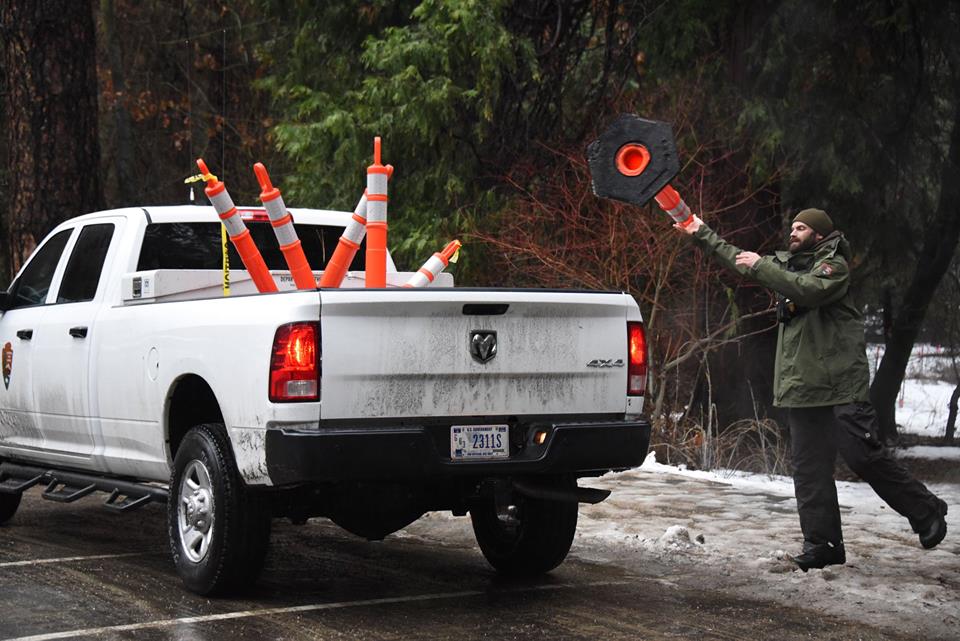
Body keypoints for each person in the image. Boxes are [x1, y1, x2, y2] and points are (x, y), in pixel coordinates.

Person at [675, 208, 948, 571]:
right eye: (792, 226)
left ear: (819, 234)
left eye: (801, 227)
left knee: (862, 454)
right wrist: (697, 229)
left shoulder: (834, 267)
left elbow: (810, 291)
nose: (794, 231)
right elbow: (735, 257)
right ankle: (824, 545)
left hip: (839, 383)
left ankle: (926, 509)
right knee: (809, 470)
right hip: (803, 388)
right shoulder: (785, 266)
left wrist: (762, 266)